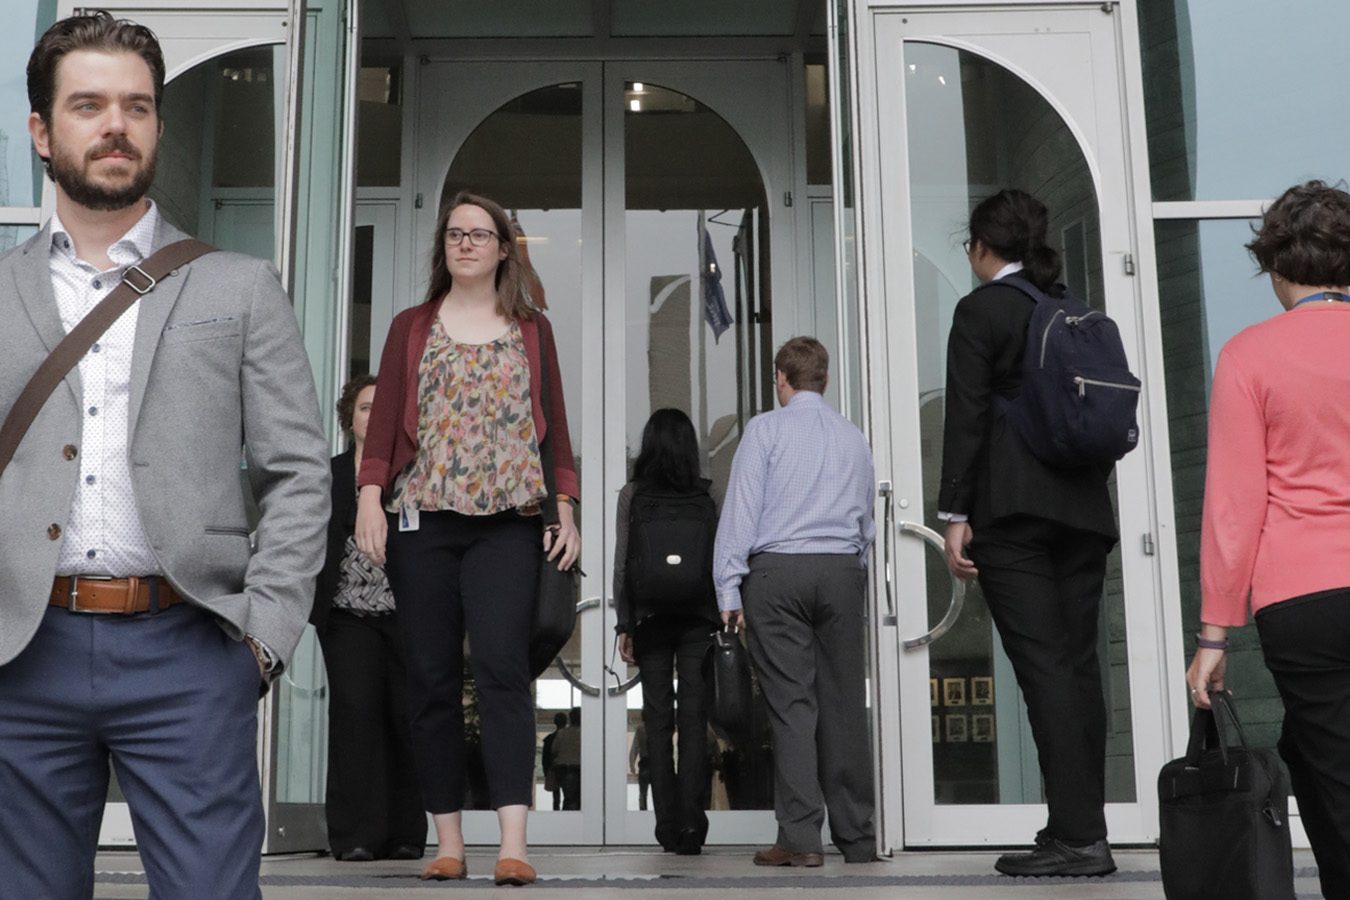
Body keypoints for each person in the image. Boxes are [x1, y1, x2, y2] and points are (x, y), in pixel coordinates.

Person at [0, 12, 330, 899]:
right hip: (21, 658)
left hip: (189, 649)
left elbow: (299, 474)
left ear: (156, 126)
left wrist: (262, 642)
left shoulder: (239, 285)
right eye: (88, 105)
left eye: (137, 107)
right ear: (41, 131)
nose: (117, 125)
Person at [354, 190, 580, 886]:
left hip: (508, 526)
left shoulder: (532, 330)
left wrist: (564, 508)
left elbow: (554, 426)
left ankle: (513, 843)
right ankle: (448, 841)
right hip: (423, 522)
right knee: (430, 679)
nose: (466, 244)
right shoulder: (411, 327)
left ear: (503, 248)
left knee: (503, 671)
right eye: (456, 234)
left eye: (480, 235)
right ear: (443, 246)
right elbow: (384, 423)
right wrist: (369, 497)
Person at [938, 189, 1118, 877]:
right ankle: (1078, 826)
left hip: (1013, 514)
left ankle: (1079, 838)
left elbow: (967, 414)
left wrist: (955, 515)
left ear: (984, 248)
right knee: (1076, 668)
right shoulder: (1072, 308)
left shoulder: (981, 310)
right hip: (1083, 511)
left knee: (1044, 670)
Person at [1187, 180, 1350, 900]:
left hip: (1304, 598)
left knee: (1332, 771)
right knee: (1313, 758)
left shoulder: (1249, 355)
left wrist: (1214, 633)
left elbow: (1233, 507)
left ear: (1277, 265)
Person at [713, 336, 877, 867]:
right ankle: (857, 836)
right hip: (840, 572)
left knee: (791, 706)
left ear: (780, 379)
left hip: (778, 573)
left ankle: (802, 838)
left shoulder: (765, 430)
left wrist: (728, 587)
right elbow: (866, 523)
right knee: (844, 705)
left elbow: (740, 512)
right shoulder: (854, 436)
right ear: (825, 381)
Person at [312, 375, 425, 862]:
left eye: (382, 408)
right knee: (355, 716)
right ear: (349, 419)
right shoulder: (329, 474)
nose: (372, 415)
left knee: (404, 718)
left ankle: (405, 834)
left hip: (407, 615)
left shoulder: (413, 474)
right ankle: (355, 835)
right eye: (363, 408)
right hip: (345, 614)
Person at [615, 407, 720, 855]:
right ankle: (693, 825)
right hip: (699, 617)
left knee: (657, 722)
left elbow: (623, 564)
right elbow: (720, 558)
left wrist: (624, 623)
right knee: (694, 721)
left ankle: (667, 827)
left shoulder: (633, 495)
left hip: (651, 619)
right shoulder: (708, 495)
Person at [551, 707, 582, 810]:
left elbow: (554, 750)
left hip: (564, 771)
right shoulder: (586, 734)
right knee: (581, 801)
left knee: (568, 800)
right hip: (580, 771)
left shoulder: (562, 733)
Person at [541, 710, 568, 810]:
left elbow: (545, 759)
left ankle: (556, 812)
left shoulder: (549, 739)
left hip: (553, 770)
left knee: (556, 799)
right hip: (567, 770)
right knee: (568, 797)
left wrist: (546, 772)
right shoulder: (569, 739)